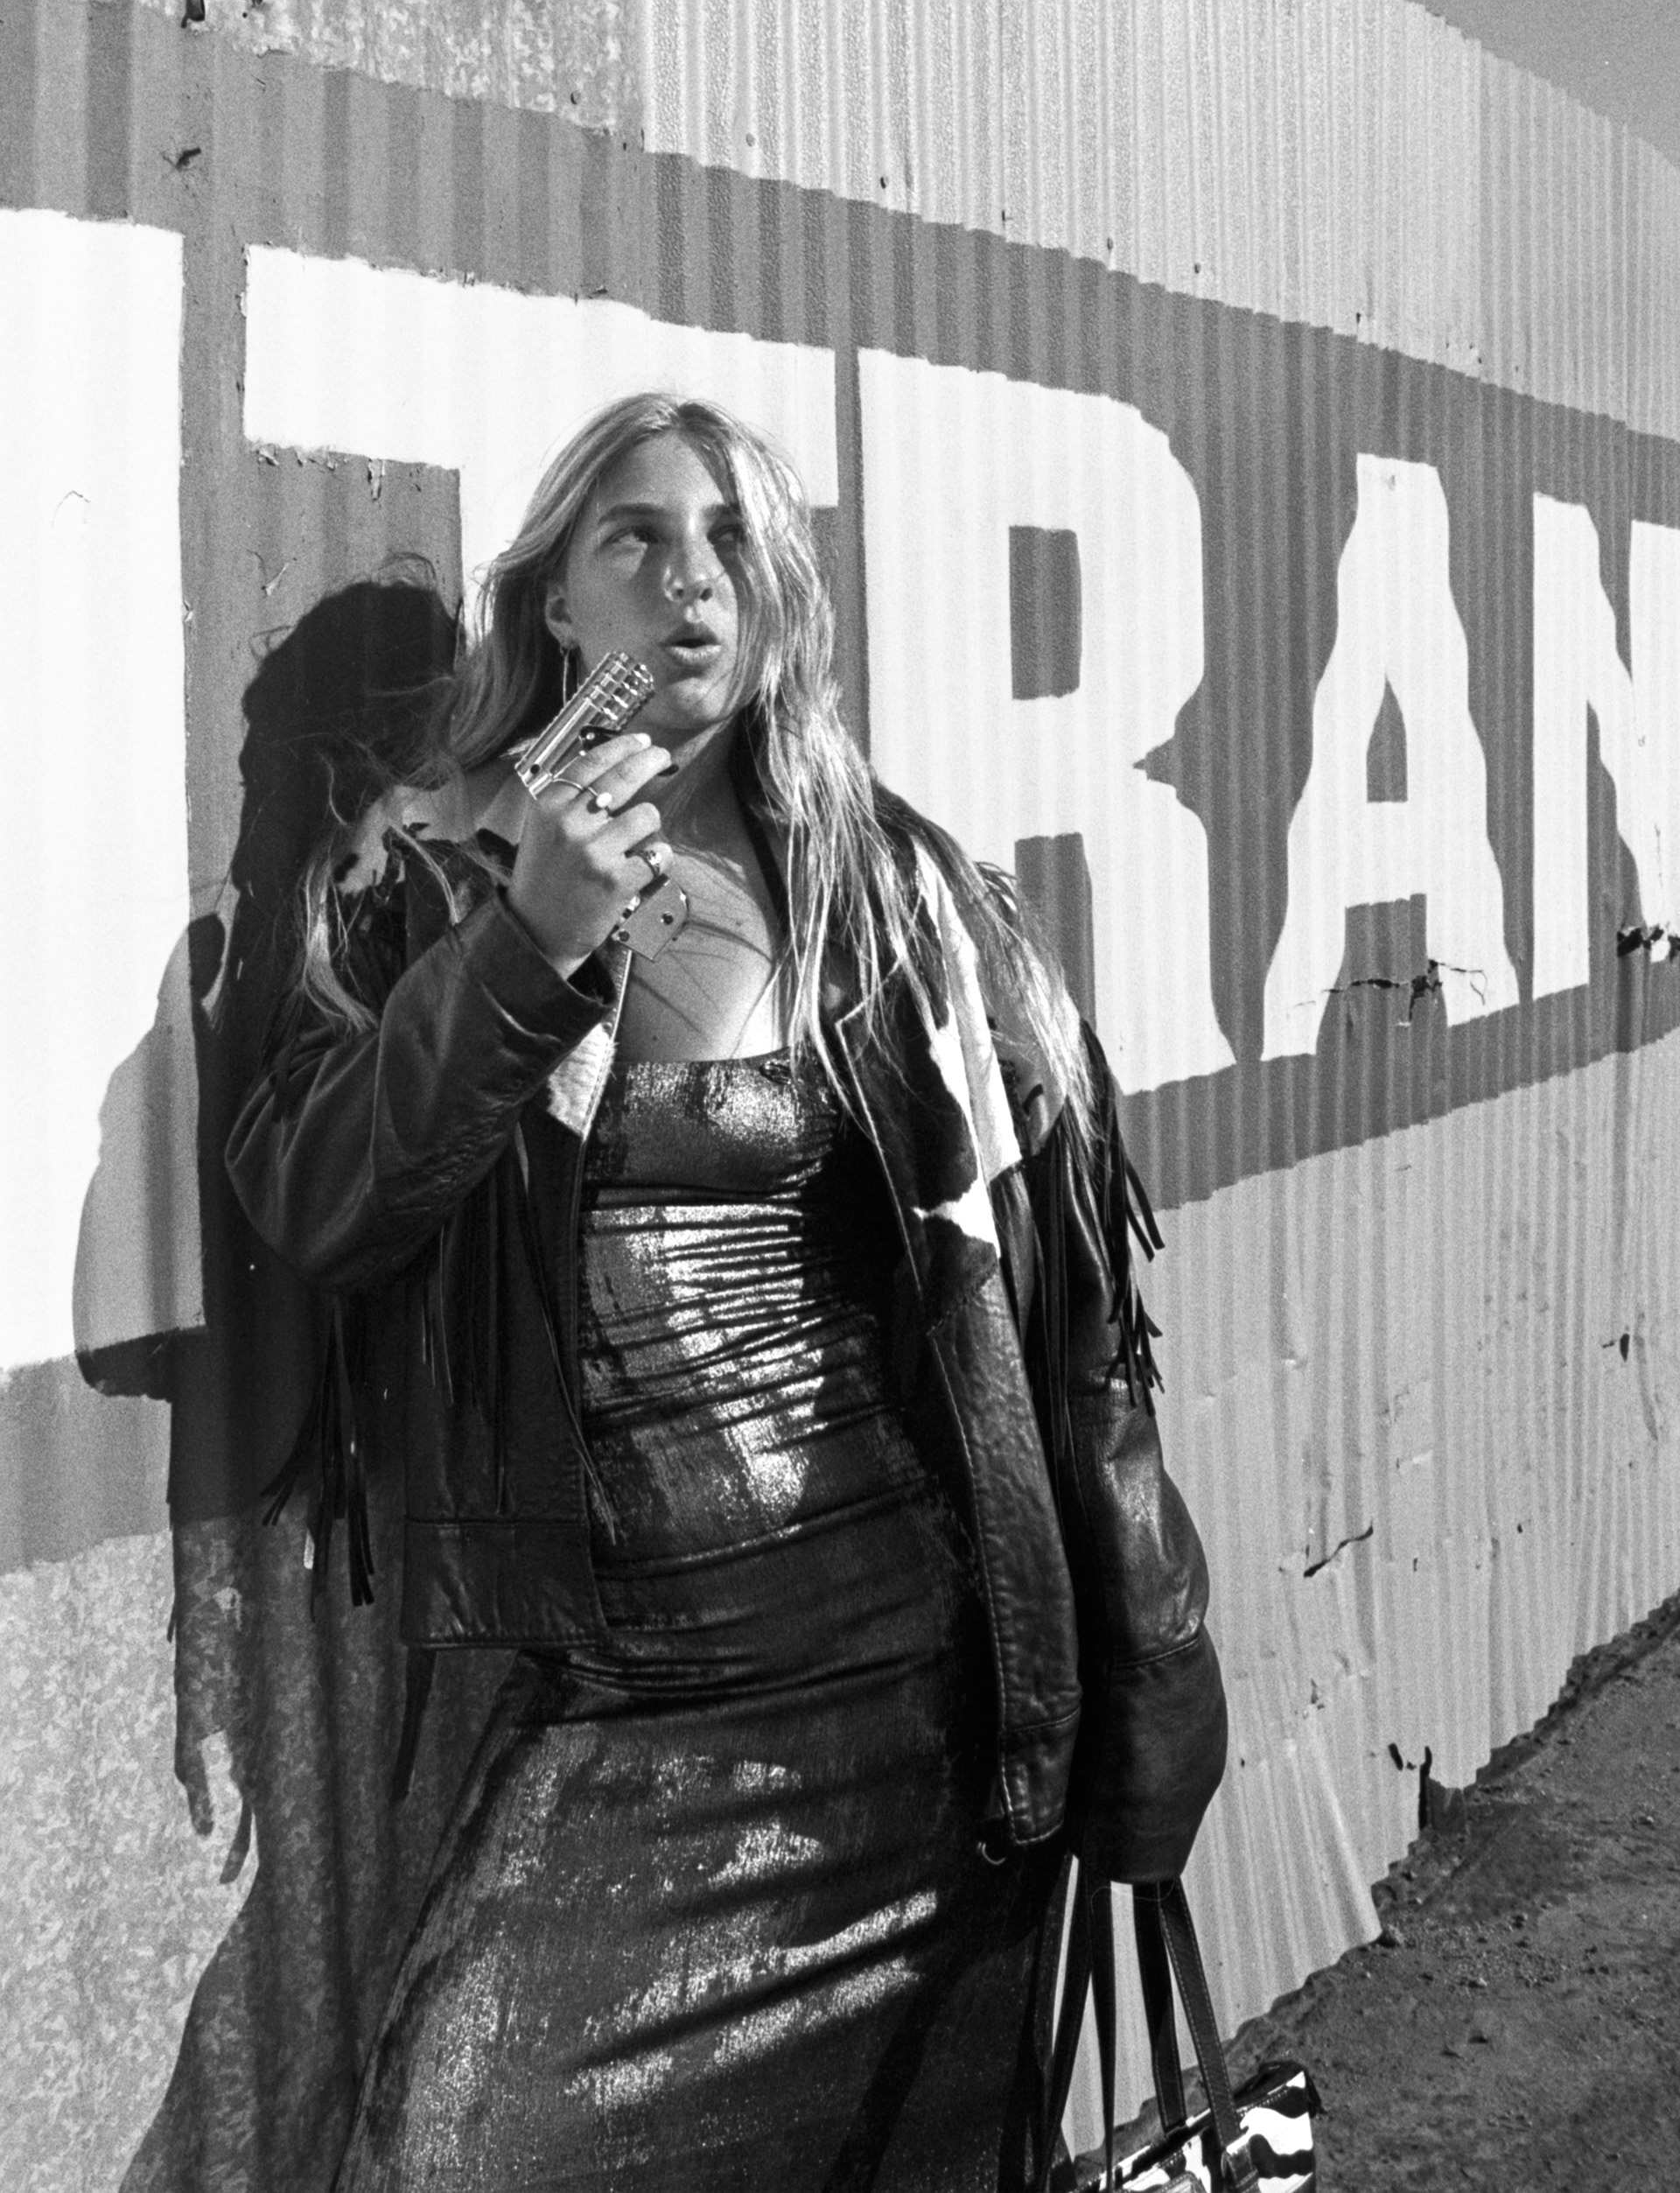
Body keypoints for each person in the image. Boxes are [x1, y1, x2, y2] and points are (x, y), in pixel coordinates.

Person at [226, 390, 1228, 2192]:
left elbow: (1073, 1331)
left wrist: (1152, 1672)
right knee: (445, 2154)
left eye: (732, 543)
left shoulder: (899, 899)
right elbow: (318, 1203)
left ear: (778, 603)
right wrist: (525, 942)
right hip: (624, 1697)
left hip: (916, 1700)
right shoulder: (425, 875)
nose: (691, 579)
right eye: (638, 537)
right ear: (555, 600)